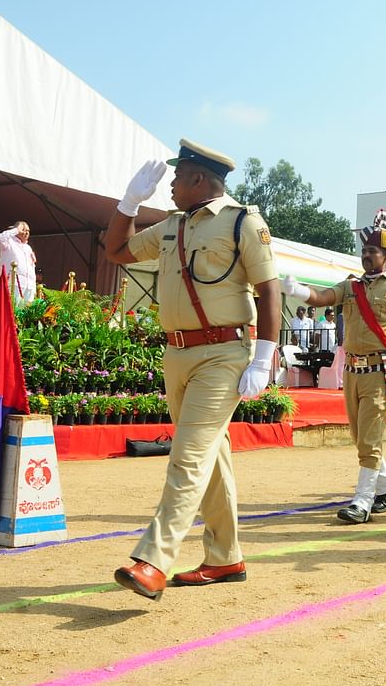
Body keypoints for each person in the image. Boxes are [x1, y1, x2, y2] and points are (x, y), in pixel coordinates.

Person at [105, 139, 280, 601]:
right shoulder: (171, 225)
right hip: (177, 354)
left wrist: (265, 357)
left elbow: (269, 289)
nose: (172, 186)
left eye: (177, 177)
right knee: (210, 458)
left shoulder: (243, 221)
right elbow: (117, 251)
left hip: (223, 356)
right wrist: (128, 203)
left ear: (199, 179)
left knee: (187, 455)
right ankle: (226, 559)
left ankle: (154, 561)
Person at [284, 209, 386, 524]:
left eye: (372, 252)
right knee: (361, 438)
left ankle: (362, 501)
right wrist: (299, 291)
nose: (366, 256)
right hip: (352, 370)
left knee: (370, 439)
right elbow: (323, 296)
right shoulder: (350, 286)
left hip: (379, 369)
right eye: (363, 251)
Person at [0, 221, 37, 305]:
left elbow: (32, 268)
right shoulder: (9, 242)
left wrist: (34, 287)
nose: (26, 233)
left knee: (26, 314)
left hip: (29, 286)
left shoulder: (28, 248)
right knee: (13, 312)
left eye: (28, 231)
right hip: (14, 283)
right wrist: (16, 230)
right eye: (23, 230)